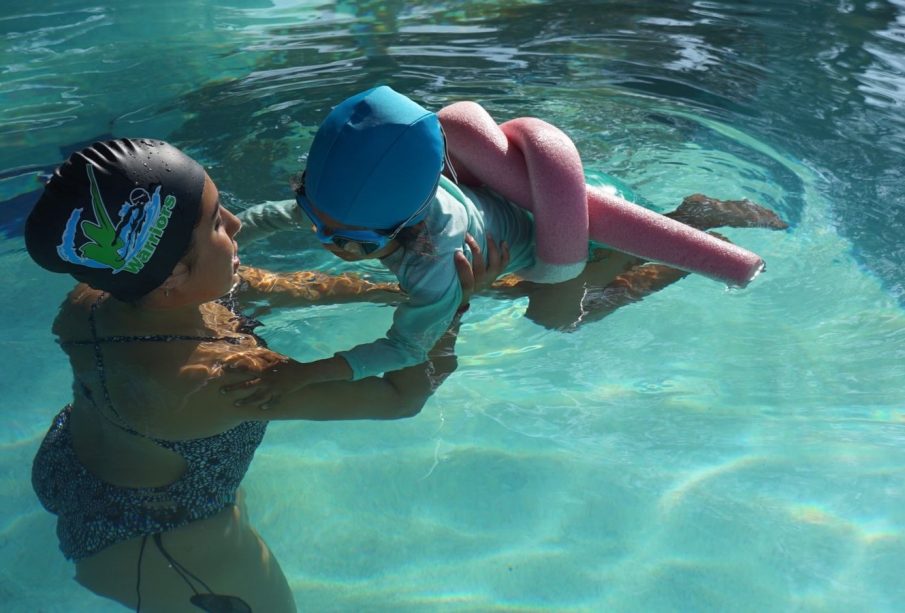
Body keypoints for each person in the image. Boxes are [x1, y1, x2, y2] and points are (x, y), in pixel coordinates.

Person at [24, 138, 502, 612]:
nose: (236, 223)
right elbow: (400, 397)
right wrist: (452, 307)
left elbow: (279, 288)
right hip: (159, 535)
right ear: (171, 277)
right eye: (215, 224)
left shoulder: (98, 293)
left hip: (74, 462)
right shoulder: (220, 379)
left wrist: (407, 292)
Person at [234, 85, 787, 391]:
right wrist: (234, 234)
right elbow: (275, 215)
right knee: (503, 288)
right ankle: (684, 217)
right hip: (555, 203)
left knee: (572, 313)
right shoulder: (368, 201)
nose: (326, 242)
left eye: (350, 243)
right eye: (314, 214)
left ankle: (697, 219)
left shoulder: (437, 259)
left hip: (578, 244)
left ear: (405, 231)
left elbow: (407, 346)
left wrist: (306, 374)